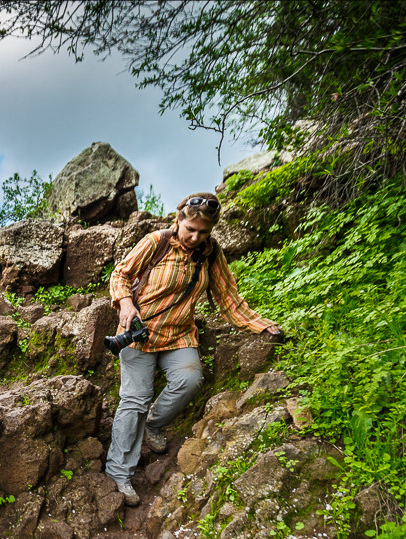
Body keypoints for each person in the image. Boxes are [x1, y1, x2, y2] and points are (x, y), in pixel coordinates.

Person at [106, 192, 281, 506]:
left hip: (178, 335)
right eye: (191, 229)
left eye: (203, 232)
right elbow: (121, 274)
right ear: (179, 220)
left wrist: (260, 324)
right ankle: (119, 473)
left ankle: (154, 424)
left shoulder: (210, 253)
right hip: (137, 334)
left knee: (189, 379)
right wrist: (126, 304)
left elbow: (228, 297)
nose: (195, 237)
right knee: (135, 400)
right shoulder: (155, 242)